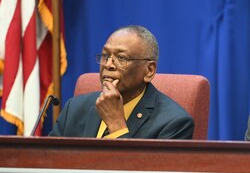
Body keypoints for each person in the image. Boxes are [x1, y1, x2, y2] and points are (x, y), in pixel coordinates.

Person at [49, 25, 194, 139]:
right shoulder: (74, 109)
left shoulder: (173, 123)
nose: (108, 64)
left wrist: (116, 125)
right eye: (105, 55)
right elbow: (48, 165)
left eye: (121, 58)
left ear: (149, 70)